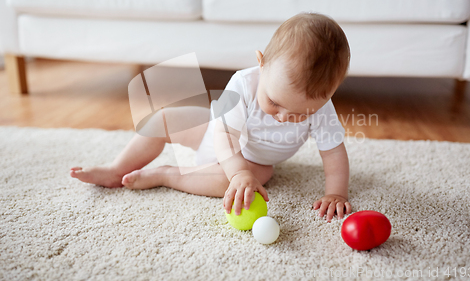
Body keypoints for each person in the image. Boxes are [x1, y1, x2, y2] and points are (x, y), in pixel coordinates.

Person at [70, 12, 352, 223]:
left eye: (301, 113)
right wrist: (237, 172)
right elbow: (224, 135)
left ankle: (168, 175)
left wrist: (336, 193)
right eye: (275, 102)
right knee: (162, 119)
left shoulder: (322, 107)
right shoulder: (243, 83)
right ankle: (117, 168)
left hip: (257, 161)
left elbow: (333, 153)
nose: (283, 117)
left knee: (239, 182)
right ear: (261, 62)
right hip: (214, 134)